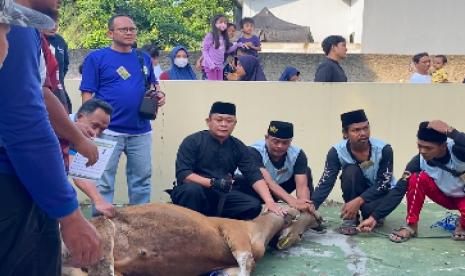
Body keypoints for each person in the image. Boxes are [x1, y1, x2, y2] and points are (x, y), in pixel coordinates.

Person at [0, 0, 102, 274]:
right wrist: (69, 214)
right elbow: (25, 126)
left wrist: (74, 135)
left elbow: (40, 94)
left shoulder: (26, 28)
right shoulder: (14, 23)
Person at [80, 14, 166, 208]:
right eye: (124, 29)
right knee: (103, 181)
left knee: (142, 182)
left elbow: (153, 85)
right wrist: (88, 126)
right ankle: (103, 226)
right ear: (110, 33)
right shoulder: (96, 58)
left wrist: (160, 95)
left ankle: (139, 224)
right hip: (107, 131)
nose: (129, 32)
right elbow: (87, 94)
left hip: (141, 130)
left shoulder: (142, 57)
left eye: (132, 29)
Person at [170, 102, 285, 220]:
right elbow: (183, 174)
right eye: (219, 120)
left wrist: (270, 201)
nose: (224, 124)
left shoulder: (238, 146)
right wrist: (213, 183)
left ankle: (223, 232)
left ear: (235, 124)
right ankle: (191, 230)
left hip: (221, 194)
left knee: (252, 206)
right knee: (191, 191)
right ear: (208, 121)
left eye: (229, 121)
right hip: (194, 192)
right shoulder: (193, 141)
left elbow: (254, 175)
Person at [358, 121, 465, 242]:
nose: (423, 151)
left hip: (463, 198)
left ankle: (462, 224)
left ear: (443, 146)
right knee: (416, 178)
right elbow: (399, 189)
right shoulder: (418, 161)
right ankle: (411, 226)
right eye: (419, 146)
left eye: (428, 148)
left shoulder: (458, 151)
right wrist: (374, 218)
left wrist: (451, 132)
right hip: (444, 196)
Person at [311, 109, 396, 235]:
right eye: (356, 130)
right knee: (350, 171)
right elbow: (326, 182)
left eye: (365, 128)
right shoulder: (336, 152)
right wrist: (312, 206)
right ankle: (351, 218)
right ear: (345, 134)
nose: (363, 133)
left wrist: (358, 201)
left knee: (369, 210)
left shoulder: (384, 149)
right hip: (356, 190)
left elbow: (384, 183)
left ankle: (374, 216)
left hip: (380, 191)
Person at [236, 121, 314, 213]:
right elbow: (268, 182)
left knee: (306, 171)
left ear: (290, 142)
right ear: (266, 138)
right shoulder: (254, 151)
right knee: (240, 180)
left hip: (278, 189)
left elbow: (302, 186)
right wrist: (292, 201)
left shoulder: (298, 154)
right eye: (275, 141)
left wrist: (303, 204)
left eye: (285, 143)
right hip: (254, 189)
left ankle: (310, 212)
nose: (279, 146)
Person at [70, 98, 116, 218]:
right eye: (95, 126)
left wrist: (99, 200)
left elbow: (80, 171)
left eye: (102, 129)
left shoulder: (83, 136)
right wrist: (99, 200)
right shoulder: (60, 128)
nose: (96, 133)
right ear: (79, 117)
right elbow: (77, 172)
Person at [201, 14, 243, 80]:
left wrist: (237, 45)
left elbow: (226, 51)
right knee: (213, 86)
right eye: (221, 22)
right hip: (210, 66)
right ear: (215, 23)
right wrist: (210, 63)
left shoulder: (224, 37)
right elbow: (205, 51)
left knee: (219, 86)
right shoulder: (210, 35)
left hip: (220, 66)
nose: (223, 24)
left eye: (225, 22)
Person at [43, 24, 72, 112]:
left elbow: (65, 66)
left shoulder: (60, 41)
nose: (54, 27)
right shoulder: (33, 40)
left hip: (59, 92)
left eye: (56, 22)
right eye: (49, 22)